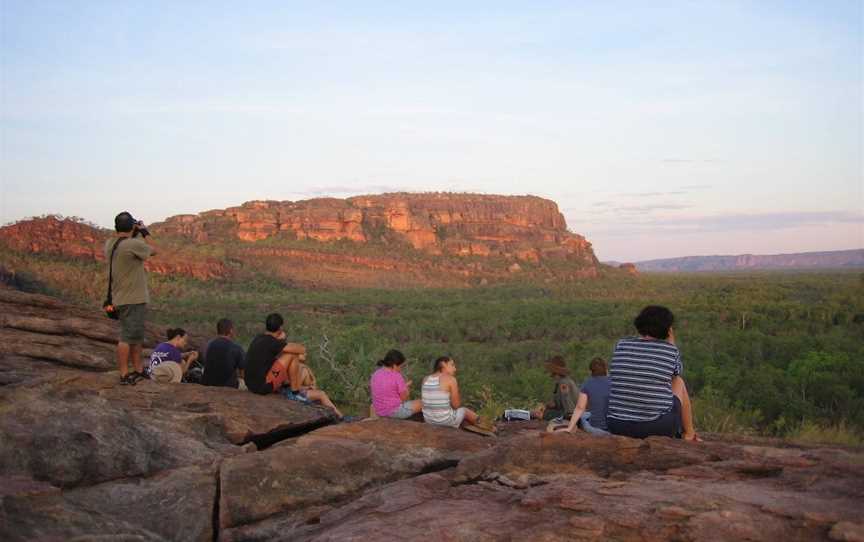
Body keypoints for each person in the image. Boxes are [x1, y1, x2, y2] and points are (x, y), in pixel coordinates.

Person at [606, 305, 701, 441]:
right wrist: (671, 343)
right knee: (678, 381)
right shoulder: (670, 351)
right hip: (655, 428)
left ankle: (688, 432)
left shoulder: (621, 345)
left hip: (616, 425)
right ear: (668, 329)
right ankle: (690, 433)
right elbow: (676, 373)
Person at [245, 313, 344, 418]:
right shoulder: (273, 342)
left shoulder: (259, 338)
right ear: (280, 328)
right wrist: (283, 341)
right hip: (261, 387)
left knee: (290, 356)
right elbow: (301, 349)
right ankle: (296, 393)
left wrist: (282, 342)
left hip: (251, 384)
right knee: (292, 355)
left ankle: (291, 388)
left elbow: (278, 355)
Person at [104, 211, 157, 385]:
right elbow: (154, 250)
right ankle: (124, 374)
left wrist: (133, 230)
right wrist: (144, 231)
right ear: (131, 226)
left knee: (135, 336)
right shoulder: (132, 244)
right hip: (132, 298)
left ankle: (138, 370)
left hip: (120, 297)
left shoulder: (111, 244)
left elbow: (127, 242)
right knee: (127, 337)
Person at [421, 356, 492, 431]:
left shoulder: (425, 379)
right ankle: (488, 427)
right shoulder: (451, 379)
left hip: (428, 420)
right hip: (445, 422)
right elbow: (456, 405)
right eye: (452, 365)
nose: (455, 369)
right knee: (464, 410)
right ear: (443, 364)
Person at [555, 357, 611, 436]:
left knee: (584, 416)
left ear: (591, 371)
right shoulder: (613, 382)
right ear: (606, 369)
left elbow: (580, 407)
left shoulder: (587, 383)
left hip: (594, 428)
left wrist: (569, 428)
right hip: (611, 426)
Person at [370, 350, 421, 419]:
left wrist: (403, 386)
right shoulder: (397, 376)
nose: (401, 369)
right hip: (393, 412)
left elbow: (386, 391)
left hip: (379, 411)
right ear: (394, 365)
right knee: (422, 403)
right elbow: (404, 399)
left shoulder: (376, 374)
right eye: (401, 366)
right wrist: (407, 389)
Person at [202, 318, 246, 388]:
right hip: (228, 387)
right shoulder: (236, 348)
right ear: (231, 331)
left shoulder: (209, 345)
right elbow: (243, 374)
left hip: (207, 384)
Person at [534, 356, 580, 421]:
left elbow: (569, 408)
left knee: (540, 415)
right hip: (567, 412)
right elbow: (556, 403)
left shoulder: (563, 383)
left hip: (569, 414)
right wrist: (545, 406)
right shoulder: (561, 382)